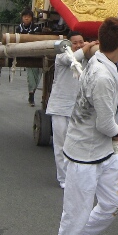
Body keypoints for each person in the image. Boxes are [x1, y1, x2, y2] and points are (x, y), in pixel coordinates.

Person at [53, 17, 118, 235]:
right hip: (83, 152)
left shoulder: (100, 59)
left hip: (105, 150)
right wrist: (117, 133)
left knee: (117, 201)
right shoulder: (102, 74)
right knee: (77, 209)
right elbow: (105, 123)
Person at [45, 31, 97, 188]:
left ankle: (76, 176)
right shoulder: (62, 56)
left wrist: (93, 47)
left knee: (78, 144)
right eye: (75, 43)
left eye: (81, 42)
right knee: (61, 144)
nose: (79, 45)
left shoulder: (88, 57)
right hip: (60, 108)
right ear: (68, 44)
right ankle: (63, 178)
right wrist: (88, 46)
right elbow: (73, 58)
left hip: (78, 108)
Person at [16, 8, 42, 107]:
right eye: (25, 16)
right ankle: (31, 95)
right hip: (25, 53)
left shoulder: (36, 28)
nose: (26, 18)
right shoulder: (19, 28)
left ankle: (33, 92)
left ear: (32, 18)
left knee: (38, 75)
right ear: (22, 18)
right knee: (30, 76)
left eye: (29, 17)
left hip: (36, 53)